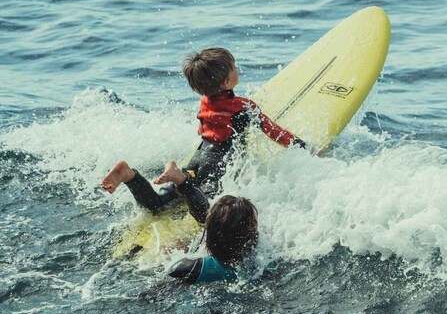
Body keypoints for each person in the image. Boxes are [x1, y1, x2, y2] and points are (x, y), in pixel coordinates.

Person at [101, 46, 306, 210]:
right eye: (234, 67)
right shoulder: (243, 107)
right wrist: (303, 147)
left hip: (197, 159)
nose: (237, 69)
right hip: (217, 166)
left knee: (158, 204)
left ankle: (130, 175)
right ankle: (180, 179)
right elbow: (274, 131)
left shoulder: (205, 101)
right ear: (227, 81)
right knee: (206, 208)